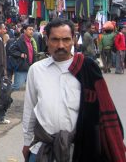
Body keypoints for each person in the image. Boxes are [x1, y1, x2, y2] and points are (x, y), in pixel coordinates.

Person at [22, 18, 126, 162]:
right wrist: (27, 142)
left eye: (66, 39)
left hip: (80, 149)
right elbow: (30, 108)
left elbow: (104, 110)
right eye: (55, 39)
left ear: (74, 40)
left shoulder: (87, 68)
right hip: (43, 148)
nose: (61, 45)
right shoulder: (36, 70)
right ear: (47, 41)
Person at [8, 24, 36, 91]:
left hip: (30, 67)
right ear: (24, 31)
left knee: (32, 87)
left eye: (32, 30)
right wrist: (20, 54)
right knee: (16, 87)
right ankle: (3, 95)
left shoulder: (30, 41)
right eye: (29, 29)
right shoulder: (20, 41)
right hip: (21, 68)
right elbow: (11, 50)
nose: (31, 31)